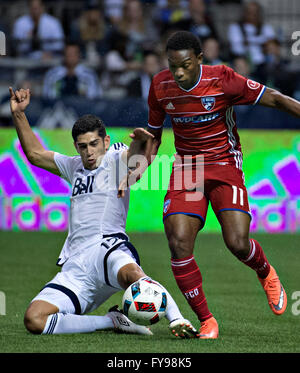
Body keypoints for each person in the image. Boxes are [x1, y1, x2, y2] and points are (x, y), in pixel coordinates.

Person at [139, 31, 300, 339]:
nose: (179, 73)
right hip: (187, 167)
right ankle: (206, 320)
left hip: (225, 163)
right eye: (173, 66)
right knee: (177, 241)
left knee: (237, 243)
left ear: (200, 58)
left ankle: (265, 271)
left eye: (185, 65)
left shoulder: (224, 79)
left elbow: (276, 99)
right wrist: (141, 164)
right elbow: (154, 134)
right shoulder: (160, 86)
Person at [9, 86, 197, 338]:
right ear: (76, 147)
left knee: (134, 275)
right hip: (75, 265)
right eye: (82, 146)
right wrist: (19, 114)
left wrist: (141, 141)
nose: (89, 152)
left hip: (108, 248)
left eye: (94, 144)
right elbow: (34, 154)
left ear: (105, 142)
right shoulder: (72, 166)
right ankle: (112, 321)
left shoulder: (114, 158)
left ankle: (177, 319)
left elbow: (135, 160)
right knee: (34, 320)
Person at [227, 1, 275, 68]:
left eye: (255, 12)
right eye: (249, 12)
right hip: (242, 62)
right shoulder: (234, 27)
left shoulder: (266, 28)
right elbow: (236, 47)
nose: (252, 14)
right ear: (244, 13)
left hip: (263, 64)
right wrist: (262, 42)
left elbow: (272, 44)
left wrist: (249, 42)